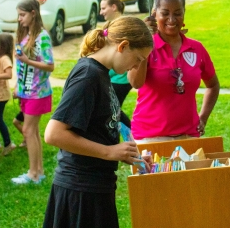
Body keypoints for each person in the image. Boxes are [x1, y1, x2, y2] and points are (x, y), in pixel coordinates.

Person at [43, 16, 153, 228]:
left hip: (97, 186)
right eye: (138, 59)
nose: (136, 66)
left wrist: (133, 156)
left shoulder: (102, 75)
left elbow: (109, 121)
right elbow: (54, 133)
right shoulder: (88, 76)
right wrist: (109, 152)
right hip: (81, 191)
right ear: (123, 46)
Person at [128, 0, 220, 143]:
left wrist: (203, 117)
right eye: (165, 13)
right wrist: (145, 42)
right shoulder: (144, 47)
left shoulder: (196, 48)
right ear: (154, 13)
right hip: (149, 137)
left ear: (184, 13)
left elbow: (213, 85)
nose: (171, 19)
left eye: (177, 13)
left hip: (188, 135)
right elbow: (136, 83)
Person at [11, 0, 54, 185]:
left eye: (23, 15)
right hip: (26, 91)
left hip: (37, 92)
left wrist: (28, 61)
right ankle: (39, 172)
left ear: (33, 13)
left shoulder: (42, 37)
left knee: (28, 131)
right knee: (33, 131)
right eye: (19, 15)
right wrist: (17, 86)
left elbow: (50, 65)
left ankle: (33, 174)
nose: (20, 19)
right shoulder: (26, 35)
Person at [100, 0, 132, 128]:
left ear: (114, 7)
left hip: (120, 78)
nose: (101, 12)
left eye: (103, 8)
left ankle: (132, 134)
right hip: (112, 76)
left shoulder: (122, 26)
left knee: (111, 110)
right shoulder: (111, 25)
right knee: (111, 109)